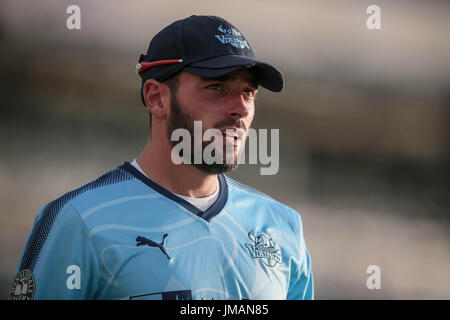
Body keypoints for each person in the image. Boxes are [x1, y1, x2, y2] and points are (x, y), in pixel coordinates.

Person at [9, 15, 313, 300]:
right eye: (216, 87)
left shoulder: (283, 226)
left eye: (248, 92)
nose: (241, 109)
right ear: (156, 98)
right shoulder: (78, 220)